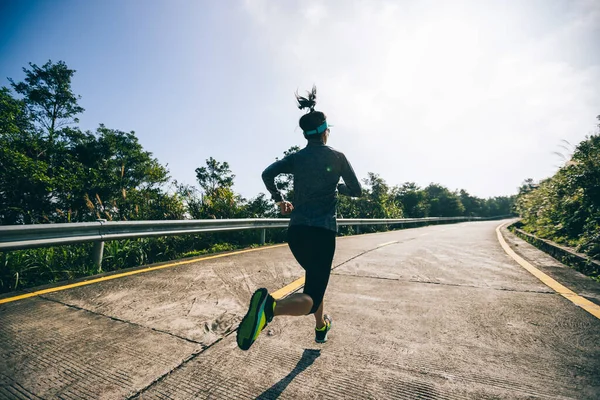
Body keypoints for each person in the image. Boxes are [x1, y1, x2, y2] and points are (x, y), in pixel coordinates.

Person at [236, 86, 362, 351]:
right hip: (322, 233)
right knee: (312, 298)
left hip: (297, 233)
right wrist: (339, 188)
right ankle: (270, 308)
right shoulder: (337, 158)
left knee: (314, 283)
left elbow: (267, 174)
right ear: (326, 131)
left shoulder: (297, 158)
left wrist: (279, 199)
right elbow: (357, 191)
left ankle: (321, 328)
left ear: (306, 135)